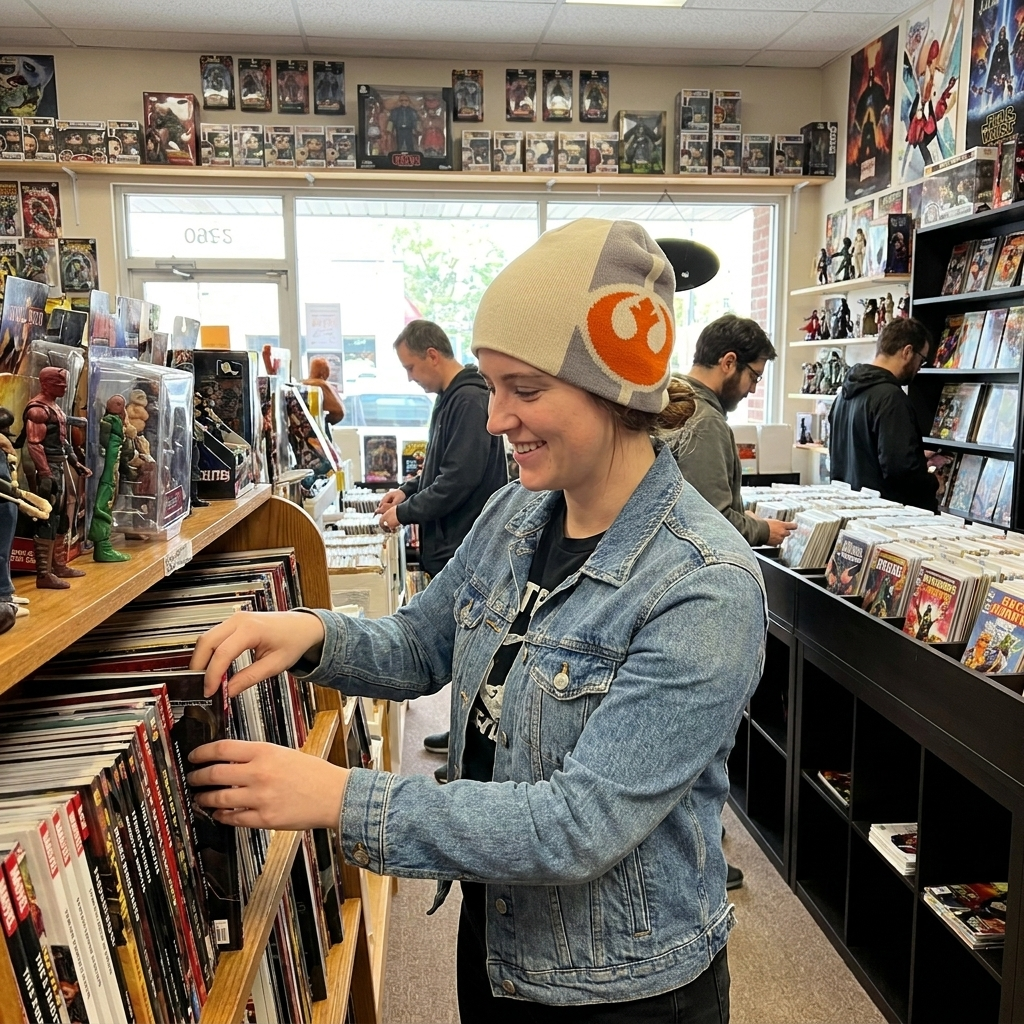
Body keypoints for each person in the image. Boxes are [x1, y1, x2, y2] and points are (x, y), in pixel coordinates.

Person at [188, 218, 768, 1022]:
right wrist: (312, 634)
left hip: (622, 988)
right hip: (499, 942)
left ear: (618, 387)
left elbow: (577, 825)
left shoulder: (705, 586)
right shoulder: (517, 514)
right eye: (493, 385)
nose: (496, 418)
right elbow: (423, 643)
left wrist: (341, 798)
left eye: (525, 390)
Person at [376, 320, 508, 778]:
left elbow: (459, 479)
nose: (411, 377)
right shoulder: (453, 398)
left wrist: (408, 513)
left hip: (465, 542)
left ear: (433, 354)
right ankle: (460, 733)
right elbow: (438, 467)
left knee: (471, 648)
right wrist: (406, 492)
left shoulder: (469, 399)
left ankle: (469, 748)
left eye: (411, 367)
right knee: (463, 648)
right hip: (451, 540)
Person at [671, 314, 796, 547]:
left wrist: (741, 515)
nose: (753, 389)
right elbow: (710, 523)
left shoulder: (673, 399)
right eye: (754, 376)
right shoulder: (706, 422)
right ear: (728, 363)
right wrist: (762, 530)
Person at [828, 317, 938, 511]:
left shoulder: (843, 396)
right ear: (907, 352)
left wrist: (916, 456)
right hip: (887, 517)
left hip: (850, 513)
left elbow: (858, 456)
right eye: (921, 359)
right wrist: (933, 482)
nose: (920, 368)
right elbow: (900, 471)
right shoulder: (891, 399)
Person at [301, 356, 345, 426]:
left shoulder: (303, 384)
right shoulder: (321, 385)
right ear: (324, 372)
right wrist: (325, 422)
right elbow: (339, 412)